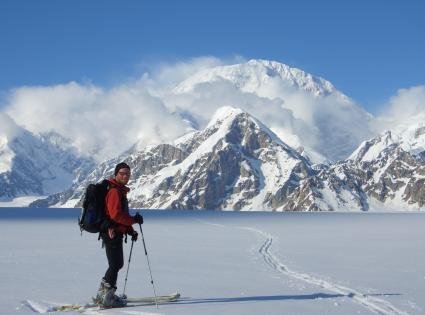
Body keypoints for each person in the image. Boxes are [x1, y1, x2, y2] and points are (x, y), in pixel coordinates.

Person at [94, 162, 144, 308]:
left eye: (127, 174)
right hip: (111, 233)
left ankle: (104, 295)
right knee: (115, 264)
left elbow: (118, 216)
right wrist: (134, 220)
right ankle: (106, 297)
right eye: (122, 173)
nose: (125, 176)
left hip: (114, 231)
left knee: (116, 264)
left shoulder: (119, 190)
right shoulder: (115, 192)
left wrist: (129, 230)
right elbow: (116, 215)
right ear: (116, 174)